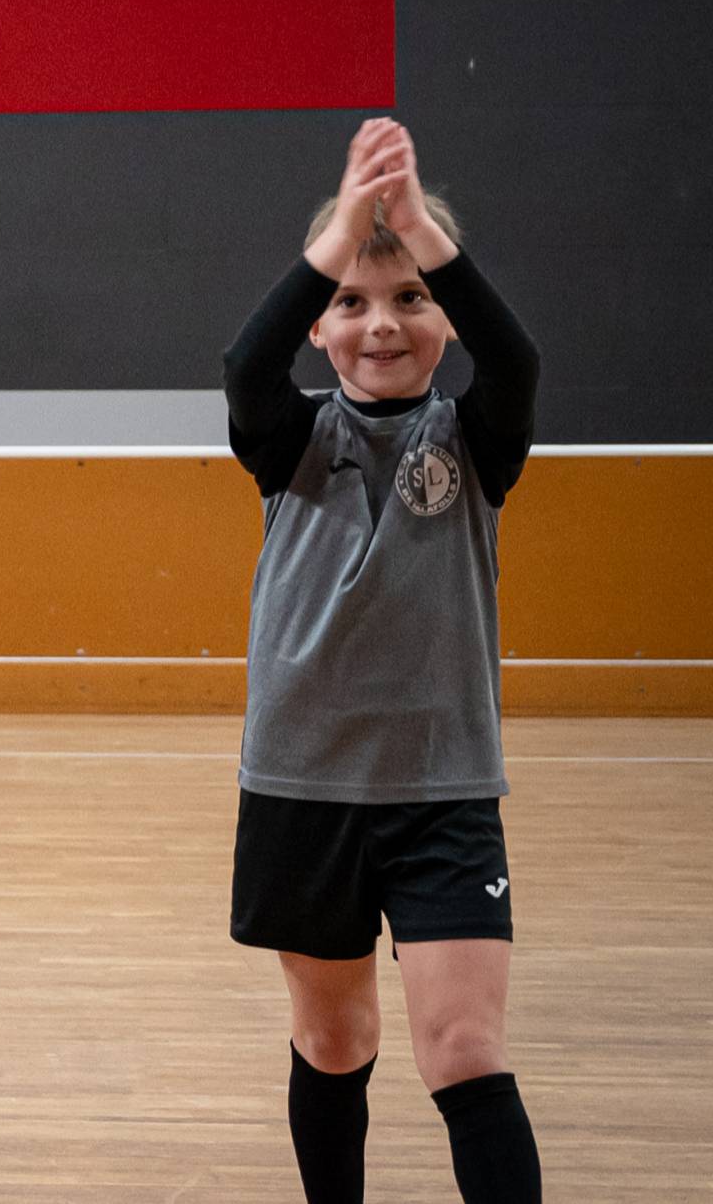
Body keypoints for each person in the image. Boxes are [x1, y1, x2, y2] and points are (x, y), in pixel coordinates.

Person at [221, 118, 543, 1204]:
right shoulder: (287, 438)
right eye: (354, 301)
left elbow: (520, 359)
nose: (382, 324)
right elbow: (244, 361)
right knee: (335, 1042)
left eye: (410, 297)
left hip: (443, 790)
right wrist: (348, 231)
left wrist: (409, 226)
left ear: (443, 316)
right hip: (303, 787)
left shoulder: (475, 438)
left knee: (463, 1050)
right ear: (320, 323)